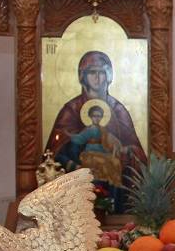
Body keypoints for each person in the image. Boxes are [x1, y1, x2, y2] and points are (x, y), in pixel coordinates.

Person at [44, 51, 146, 209]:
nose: (97, 78)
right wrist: (75, 162)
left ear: (108, 76)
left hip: (112, 176)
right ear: (83, 76)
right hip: (78, 178)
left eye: (101, 72)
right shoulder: (71, 109)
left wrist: (124, 150)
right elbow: (56, 150)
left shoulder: (118, 110)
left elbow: (135, 148)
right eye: (92, 72)